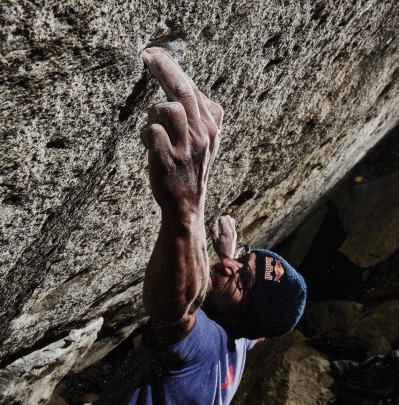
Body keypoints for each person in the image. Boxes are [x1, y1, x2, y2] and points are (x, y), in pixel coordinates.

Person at [96, 48, 307, 405]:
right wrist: (233, 256)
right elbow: (259, 332)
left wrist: (186, 206)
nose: (229, 267)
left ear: (238, 322)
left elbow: (175, 311)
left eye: (242, 281)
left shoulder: (206, 350)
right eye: (245, 263)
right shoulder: (244, 336)